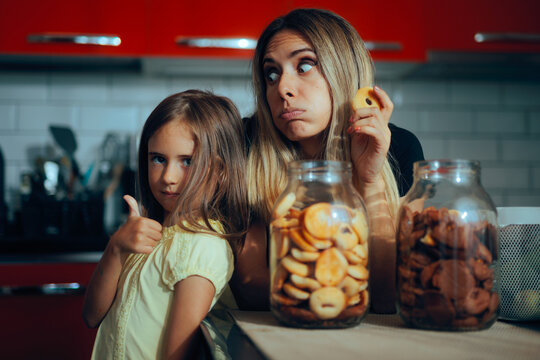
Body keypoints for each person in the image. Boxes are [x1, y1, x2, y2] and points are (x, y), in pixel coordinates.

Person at [229, 8, 424, 314]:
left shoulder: (398, 147)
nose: (282, 88)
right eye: (272, 73)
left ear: (342, 69)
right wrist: (339, 294)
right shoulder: (245, 143)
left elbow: (387, 297)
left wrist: (370, 179)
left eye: (304, 65)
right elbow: (251, 287)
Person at [82, 90, 249, 359]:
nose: (168, 177)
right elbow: (91, 316)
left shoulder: (204, 246)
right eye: (158, 159)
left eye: (187, 161)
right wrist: (116, 248)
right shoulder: (145, 232)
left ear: (220, 170)